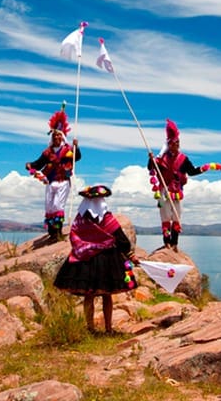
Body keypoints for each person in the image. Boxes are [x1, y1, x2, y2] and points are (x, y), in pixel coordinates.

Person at [53, 185, 138, 332]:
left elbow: (74, 237)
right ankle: (108, 328)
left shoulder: (80, 219)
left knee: (89, 295)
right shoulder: (106, 218)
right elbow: (120, 238)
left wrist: (84, 247)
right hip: (107, 260)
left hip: (85, 260)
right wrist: (129, 253)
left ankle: (90, 327)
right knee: (107, 295)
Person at [146, 119, 206, 251]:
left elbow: (191, 171)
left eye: (178, 142)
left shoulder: (183, 159)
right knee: (166, 217)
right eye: (174, 143)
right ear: (169, 144)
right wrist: (151, 159)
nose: (177, 145)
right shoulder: (161, 159)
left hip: (177, 191)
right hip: (164, 191)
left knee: (177, 217)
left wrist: (204, 168)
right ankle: (167, 242)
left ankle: (175, 243)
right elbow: (151, 167)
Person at [26, 107, 81, 242]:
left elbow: (77, 157)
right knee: (50, 206)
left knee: (57, 205)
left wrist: (76, 147)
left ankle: (58, 232)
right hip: (51, 182)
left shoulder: (68, 150)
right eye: (54, 135)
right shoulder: (48, 152)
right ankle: (51, 232)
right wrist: (30, 165)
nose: (57, 137)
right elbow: (39, 163)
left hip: (63, 181)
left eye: (59, 135)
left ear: (62, 137)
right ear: (52, 137)